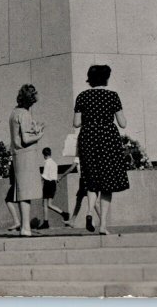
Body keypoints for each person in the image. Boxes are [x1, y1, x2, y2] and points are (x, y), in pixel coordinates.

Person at [73, 64, 129, 235]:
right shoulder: (112, 96)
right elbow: (122, 123)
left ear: (90, 79)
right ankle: (103, 225)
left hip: (88, 138)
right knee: (107, 183)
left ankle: (89, 211)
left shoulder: (82, 96)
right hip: (108, 139)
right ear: (106, 78)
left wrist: (91, 119)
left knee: (91, 180)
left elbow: (76, 123)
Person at [7, 84, 44, 236]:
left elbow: (18, 135)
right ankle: (26, 227)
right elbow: (26, 138)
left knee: (23, 191)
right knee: (26, 192)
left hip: (17, 155)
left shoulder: (14, 113)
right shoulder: (25, 114)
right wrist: (40, 134)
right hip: (26, 154)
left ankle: (25, 226)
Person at [58, 156, 100, 230]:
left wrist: (61, 176)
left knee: (88, 202)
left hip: (84, 179)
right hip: (89, 178)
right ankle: (72, 221)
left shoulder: (78, 157)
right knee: (84, 200)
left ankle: (101, 221)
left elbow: (71, 168)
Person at [38, 147, 70, 229]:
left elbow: (44, 176)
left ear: (44, 155)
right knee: (49, 204)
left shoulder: (47, 163)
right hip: (53, 184)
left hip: (48, 184)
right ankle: (64, 214)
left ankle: (46, 223)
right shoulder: (54, 163)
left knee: (45, 204)